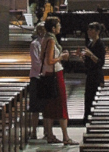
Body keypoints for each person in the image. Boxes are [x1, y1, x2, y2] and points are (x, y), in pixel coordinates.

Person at [40, 16, 75, 145]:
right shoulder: (51, 40)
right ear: (53, 28)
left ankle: (50, 135)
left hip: (47, 74)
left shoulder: (45, 38)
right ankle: (66, 137)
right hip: (55, 74)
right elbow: (49, 60)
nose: (60, 27)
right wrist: (62, 57)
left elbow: (41, 58)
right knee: (61, 105)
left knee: (49, 106)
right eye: (58, 25)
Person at [80, 21, 106, 123]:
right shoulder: (90, 43)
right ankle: (86, 118)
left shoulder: (100, 44)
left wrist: (90, 55)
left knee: (94, 97)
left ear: (97, 31)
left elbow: (100, 62)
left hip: (97, 75)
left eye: (91, 30)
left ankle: (94, 120)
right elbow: (88, 62)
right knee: (88, 98)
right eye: (88, 30)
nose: (88, 32)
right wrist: (82, 57)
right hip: (90, 74)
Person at [28, 22, 46, 139]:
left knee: (46, 107)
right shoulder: (35, 44)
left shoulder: (49, 43)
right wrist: (45, 69)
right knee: (35, 107)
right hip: (36, 77)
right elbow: (36, 62)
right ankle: (34, 131)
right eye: (42, 30)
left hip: (46, 77)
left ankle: (46, 131)